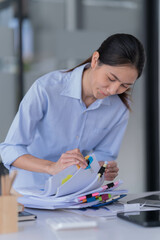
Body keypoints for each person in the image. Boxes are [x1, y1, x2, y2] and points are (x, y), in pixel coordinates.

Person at [0, 33, 145, 190]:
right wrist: (51, 167)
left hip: (74, 195)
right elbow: (10, 149)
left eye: (125, 85)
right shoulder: (47, 88)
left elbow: (105, 154)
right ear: (95, 60)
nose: (113, 90)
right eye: (111, 78)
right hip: (29, 192)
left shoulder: (119, 107)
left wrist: (103, 168)